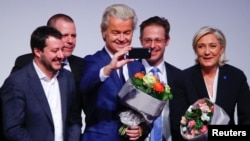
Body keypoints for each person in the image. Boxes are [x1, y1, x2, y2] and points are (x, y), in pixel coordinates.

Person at [79, 4, 150, 141]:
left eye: (127, 32)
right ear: (104, 32)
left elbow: (145, 111)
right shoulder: (93, 61)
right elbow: (84, 85)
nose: (122, 38)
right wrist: (108, 68)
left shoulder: (137, 67)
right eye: (116, 32)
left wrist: (141, 129)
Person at [0, 26, 82, 141]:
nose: (61, 56)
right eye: (54, 51)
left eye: (61, 49)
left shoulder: (67, 78)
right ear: (38, 51)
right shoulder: (17, 83)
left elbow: (74, 121)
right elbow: (13, 129)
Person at [171, 26, 250, 140]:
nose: (207, 52)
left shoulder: (236, 77)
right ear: (195, 50)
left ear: (221, 49)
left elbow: (246, 119)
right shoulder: (182, 79)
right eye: (201, 47)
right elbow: (176, 124)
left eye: (213, 46)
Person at [139, 16, 182, 141]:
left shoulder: (179, 77)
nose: (152, 45)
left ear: (167, 41)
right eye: (148, 40)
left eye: (158, 40)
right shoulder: (130, 72)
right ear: (141, 41)